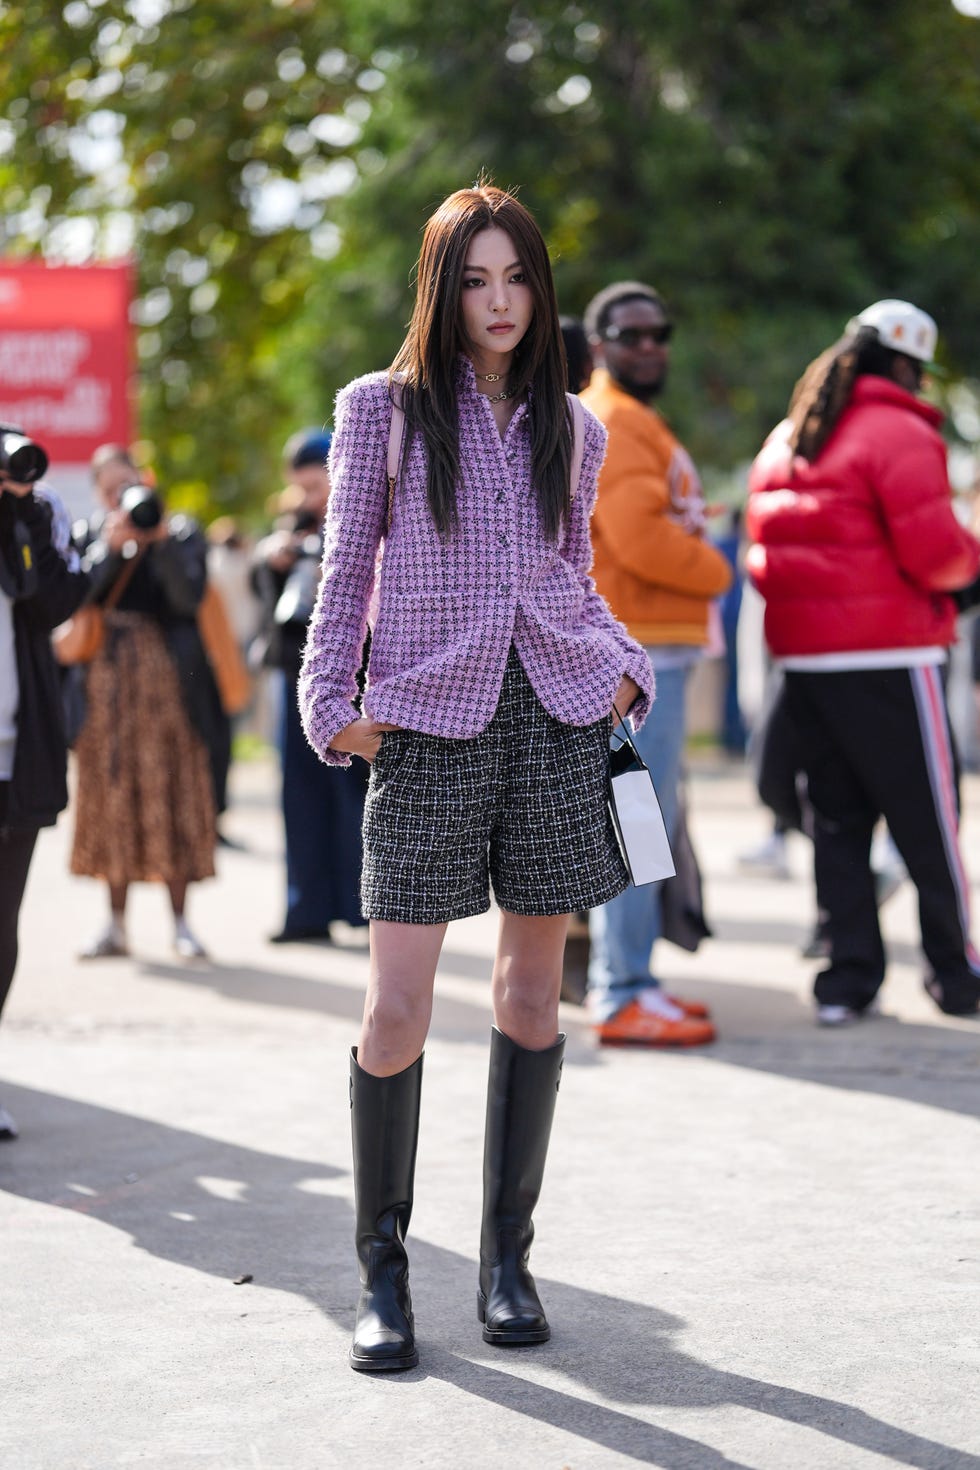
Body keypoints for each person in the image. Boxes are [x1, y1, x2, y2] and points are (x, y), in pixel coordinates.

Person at [298, 184, 653, 1373]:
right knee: (394, 1006)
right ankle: (383, 1274)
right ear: (440, 288)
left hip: (555, 715)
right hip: (427, 725)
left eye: (515, 279)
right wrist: (329, 709)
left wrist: (622, 666)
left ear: (537, 289)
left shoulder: (575, 425)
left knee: (531, 998)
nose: (498, 303)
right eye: (474, 280)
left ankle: (506, 1262)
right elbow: (344, 571)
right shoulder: (380, 410)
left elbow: (572, 578)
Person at [746, 299, 980, 1024]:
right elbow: (937, 552)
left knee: (838, 826)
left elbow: (765, 555)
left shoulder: (790, 433)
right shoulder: (900, 431)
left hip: (809, 662)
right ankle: (954, 977)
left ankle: (848, 981)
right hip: (891, 656)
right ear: (907, 364)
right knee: (928, 823)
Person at [579, 281, 732, 1046]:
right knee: (635, 821)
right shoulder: (616, 418)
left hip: (647, 647)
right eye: (629, 334)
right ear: (599, 343)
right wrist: (719, 568)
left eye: (658, 332)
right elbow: (639, 540)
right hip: (636, 652)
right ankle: (621, 990)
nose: (648, 346)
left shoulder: (634, 419)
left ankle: (633, 979)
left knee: (644, 819)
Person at [71, 444, 217, 961]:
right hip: (105, 685)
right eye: (110, 490)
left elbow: (188, 599)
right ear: (99, 494)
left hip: (168, 685)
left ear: (144, 480)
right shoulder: (90, 535)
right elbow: (73, 598)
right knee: (112, 793)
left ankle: (181, 922)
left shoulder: (178, 532)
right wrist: (109, 551)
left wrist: (159, 544)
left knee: (171, 788)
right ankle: (114, 925)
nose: (121, 498)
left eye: (126, 485)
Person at [0, 437, 89, 1139]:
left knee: (2, 924)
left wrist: (20, 514)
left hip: (13, 750)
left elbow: (56, 600)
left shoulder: (29, 512)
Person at [252, 431, 368, 944]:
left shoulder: (364, 515)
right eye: (299, 487)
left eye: (315, 484)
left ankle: (366, 909)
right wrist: (273, 562)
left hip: (353, 673)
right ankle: (306, 910)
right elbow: (272, 603)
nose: (308, 497)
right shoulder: (293, 525)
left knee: (355, 791)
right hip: (294, 670)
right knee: (297, 792)